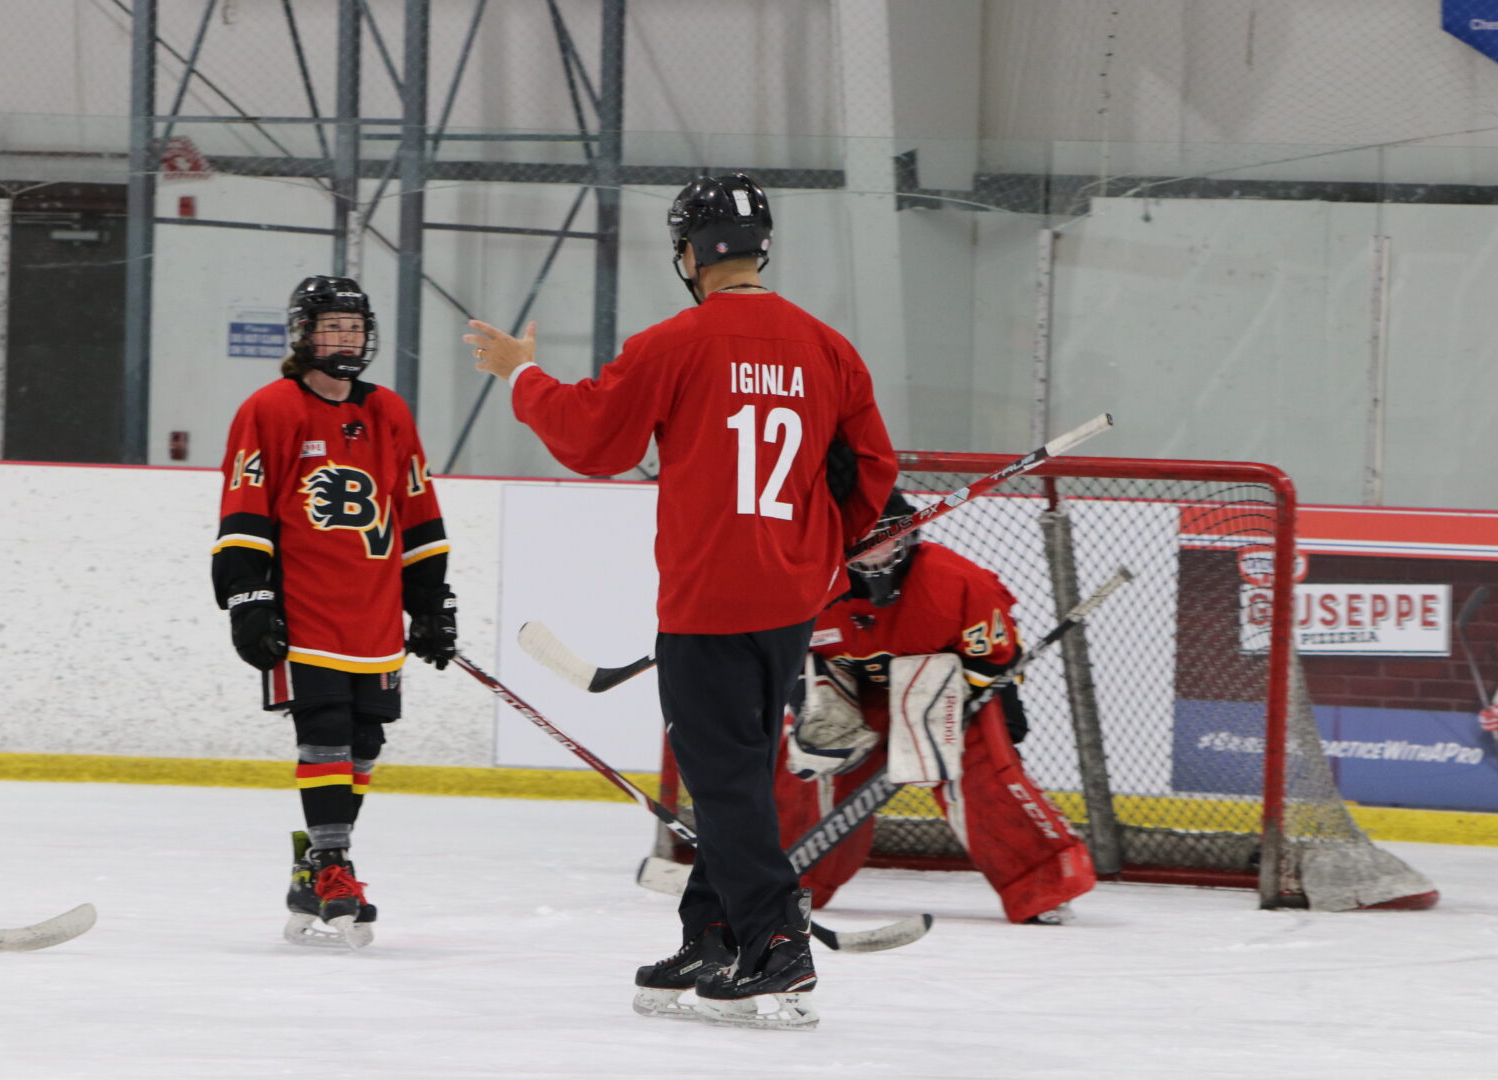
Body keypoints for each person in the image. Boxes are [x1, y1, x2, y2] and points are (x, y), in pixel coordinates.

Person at [464, 173, 896, 1029]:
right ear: (761, 247)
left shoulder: (676, 343)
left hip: (708, 597)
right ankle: (713, 935)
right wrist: (818, 544)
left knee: (726, 775)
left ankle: (774, 944)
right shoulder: (828, 348)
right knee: (727, 768)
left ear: (691, 254)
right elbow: (872, 473)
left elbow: (594, 437)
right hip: (787, 601)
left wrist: (522, 375)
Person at [212, 275, 458, 950]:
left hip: (374, 614)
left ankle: (315, 860)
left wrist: (431, 601)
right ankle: (332, 863)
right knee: (323, 728)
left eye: (354, 327)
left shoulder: (389, 412)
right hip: (308, 607)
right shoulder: (270, 408)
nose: (345, 338)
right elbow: (244, 510)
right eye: (331, 326)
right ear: (303, 334)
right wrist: (248, 595)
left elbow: (419, 515)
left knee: (367, 739)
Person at [775, 490, 1096, 925]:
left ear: (908, 534)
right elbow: (786, 660)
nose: (870, 549)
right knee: (811, 763)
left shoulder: (960, 583)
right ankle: (781, 878)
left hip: (948, 691)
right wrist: (810, 706)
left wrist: (997, 726)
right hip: (854, 694)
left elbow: (993, 663)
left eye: (882, 537)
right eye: (858, 538)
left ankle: (1043, 885)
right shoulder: (805, 588)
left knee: (980, 770)